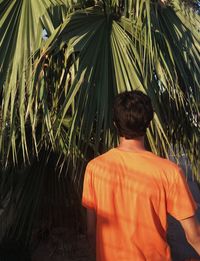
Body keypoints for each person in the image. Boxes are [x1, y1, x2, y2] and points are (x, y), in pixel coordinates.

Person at [82, 90, 200, 261]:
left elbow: (91, 232)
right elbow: (193, 236)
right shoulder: (170, 172)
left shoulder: (94, 168)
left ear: (115, 124)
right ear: (148, 124)